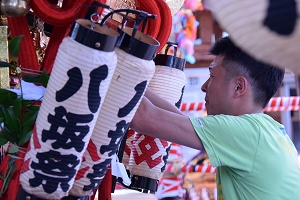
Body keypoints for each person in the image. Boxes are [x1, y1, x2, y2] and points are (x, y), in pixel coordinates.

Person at [130, 36, 300, 200]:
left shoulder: (245, 132)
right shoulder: (266, 129)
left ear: (239, 86)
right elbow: (178, 120)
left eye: (211, 76)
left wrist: (118, 61)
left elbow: (144, 118)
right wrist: (138, 82)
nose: (204, 87)